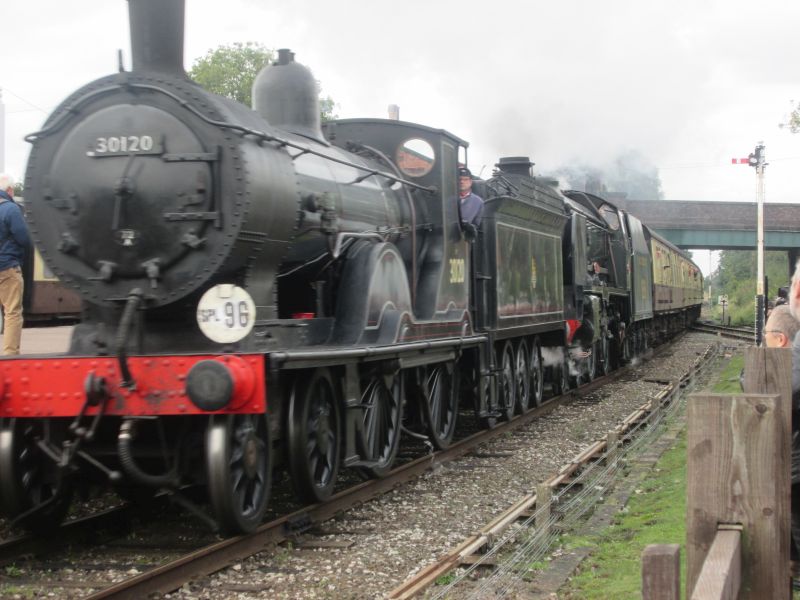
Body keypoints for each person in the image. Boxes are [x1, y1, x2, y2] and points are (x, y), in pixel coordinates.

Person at [0, 174, 31, 355]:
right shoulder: (10, 209)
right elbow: (24, 238)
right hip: (6, 268)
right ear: (10, 190)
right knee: (12, 312)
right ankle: (10, 356)